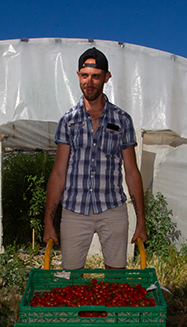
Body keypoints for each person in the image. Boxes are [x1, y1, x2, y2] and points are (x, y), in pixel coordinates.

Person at [43, 47, 147, 270]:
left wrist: (141, 222)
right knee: (71, 278)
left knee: (116, 277)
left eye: (96, 76)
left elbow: (131, 172)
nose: (89, 82)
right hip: (74, 211)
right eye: (84, 75)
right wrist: (48, 222)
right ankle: (80, 307)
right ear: (78, 76)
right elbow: (59, 173)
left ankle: (110, 307)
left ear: (106, 78)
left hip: (112, 210)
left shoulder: (122, 120)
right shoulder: (68, 121)